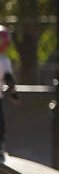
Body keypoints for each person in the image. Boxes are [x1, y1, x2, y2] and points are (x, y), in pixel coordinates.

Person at [0, 25, 19, 163]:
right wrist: (14, 94)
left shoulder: (4, 61)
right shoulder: (4, 61)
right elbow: (9, 80)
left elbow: (9, 80)